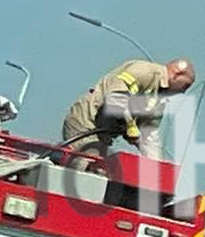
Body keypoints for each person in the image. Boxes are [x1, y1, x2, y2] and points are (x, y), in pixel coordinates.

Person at [60, 58, 195, 172]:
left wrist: (157, 168)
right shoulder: (144, 72)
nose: (183, 92)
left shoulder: (159, 100)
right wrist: (130, 125)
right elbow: (115, 98)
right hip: (85, 123)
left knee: (107, 172)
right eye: (185, 86)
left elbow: (149, 137)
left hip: (102, 136)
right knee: (93, 169)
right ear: (177, 74)